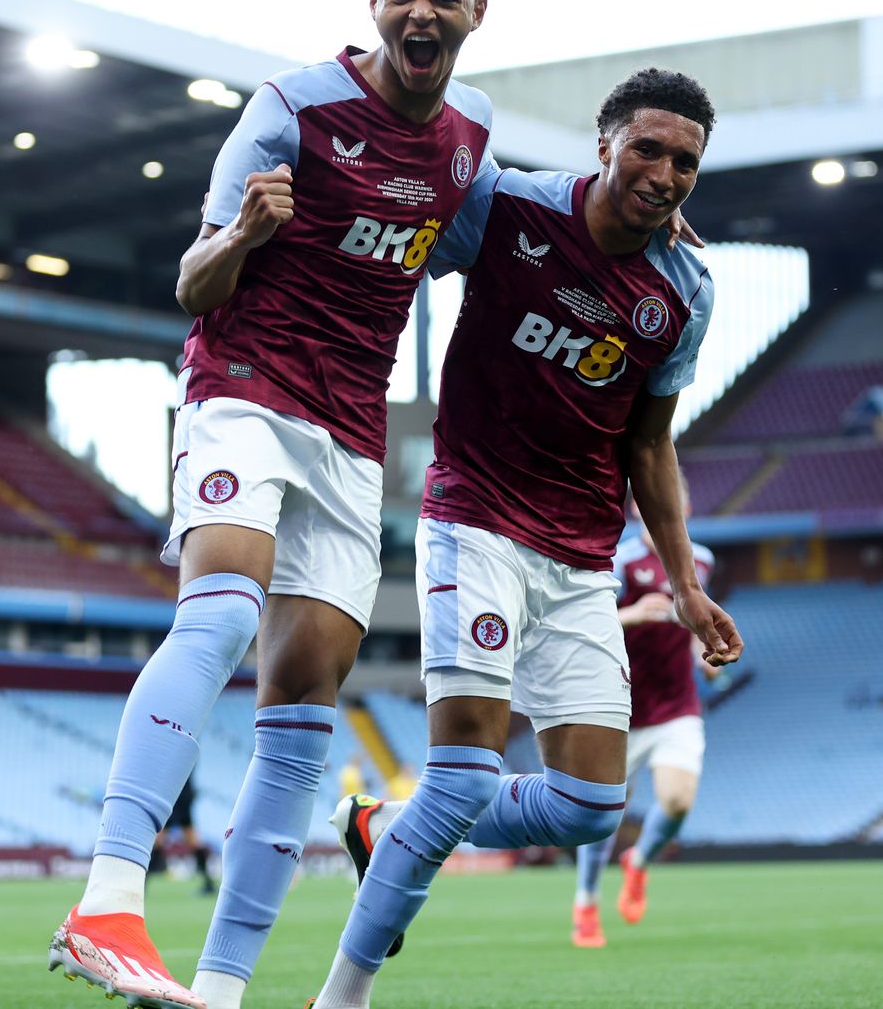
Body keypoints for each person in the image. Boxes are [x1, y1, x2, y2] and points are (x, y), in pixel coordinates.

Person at [47, 0, 499, 1009]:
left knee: (303, 702)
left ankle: (220, 989)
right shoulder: (291, 110)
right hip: (245, 390)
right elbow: (193, 288)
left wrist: (630, 222)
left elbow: (512, 237)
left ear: (478, 10)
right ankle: (108, 897)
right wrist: (245, 234)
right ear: (373, 0)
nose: (420, 11)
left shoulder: (470, 135)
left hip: (352, 439)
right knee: (221, 613)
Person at [312, 68, 741, 1009]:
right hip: (474, 521)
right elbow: (410, 193)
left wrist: (683, 580)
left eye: (685, 163)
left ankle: (387, 826)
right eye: (647, 149)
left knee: (590, 808)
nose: (664, 173)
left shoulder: (685, 291)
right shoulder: (505, 208)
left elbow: (651, 444)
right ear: (603, 145)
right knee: (463, 775)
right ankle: (340, 997)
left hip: (582, 561)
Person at [571, 484, 719, 947]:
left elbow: (695, 622)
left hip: (677, 705)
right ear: (638, 509)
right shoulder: (618, 560)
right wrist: (633, 614)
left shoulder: (703, 561)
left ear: (687, 507)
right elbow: (582, 622)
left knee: (677, 803)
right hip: (622, 705)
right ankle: (587, 903)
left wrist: (704, 653)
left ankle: (638, 863)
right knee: (601, 816)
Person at [152, 774, 217, 895]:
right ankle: (209, 884)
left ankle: (142, 886)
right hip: (181, 795)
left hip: (175, 796)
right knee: (192, 841)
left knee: (158, 840)